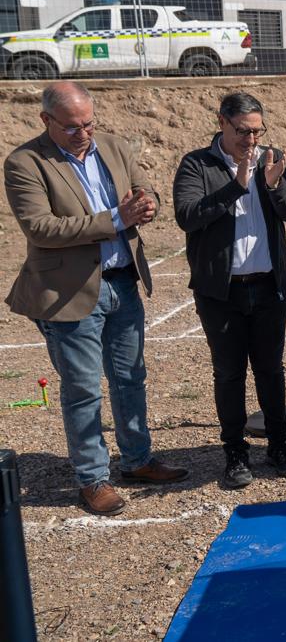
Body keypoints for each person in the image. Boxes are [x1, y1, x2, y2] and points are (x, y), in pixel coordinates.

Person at [4, 83, 186, 516]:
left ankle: (138, 461)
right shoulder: (24, 162)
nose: (83, 133)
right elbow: (40, 228)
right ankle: (92, 479)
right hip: (68, 291)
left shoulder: (113, 146)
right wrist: (114, 220)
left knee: (130, 378)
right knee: (83, 389)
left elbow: (145, 191)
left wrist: (147, 205)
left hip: (123, 281)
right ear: (45, 120)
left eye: (88, 123)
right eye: (71, 127)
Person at [173, 93, 286, 489]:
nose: (251, 139)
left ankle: (279, 445)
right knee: (229, 373)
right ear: (222, 123)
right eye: (242, 131)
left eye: (256, 131)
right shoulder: (197, 163)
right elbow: (188, 216)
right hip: (221, 293)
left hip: (267, 287)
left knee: (270, 370)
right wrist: (236, 185)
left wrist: (273, 186)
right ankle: (234, 451)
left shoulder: (272, 157)